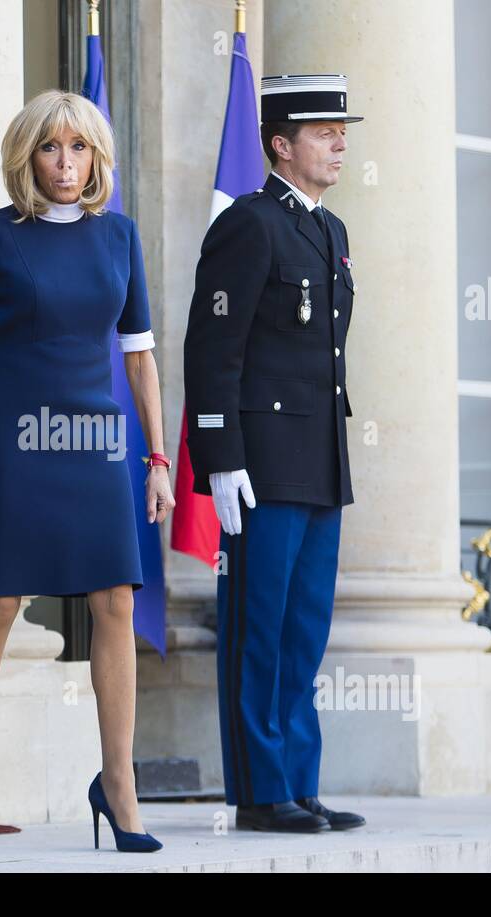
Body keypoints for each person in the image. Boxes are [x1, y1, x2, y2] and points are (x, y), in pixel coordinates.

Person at [0, 90, 173, 853]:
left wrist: (158, 459)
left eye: (79, 148)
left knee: (114, 603)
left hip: (97, 440)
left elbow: (140, 357)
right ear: (26, 157)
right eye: (50, 148)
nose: (66, 163)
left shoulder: (120, 237)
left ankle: (118, 781)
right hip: (16, 435)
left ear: (96, 158)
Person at [182, 74, 366, 833]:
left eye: (341, 129)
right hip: (258, 463)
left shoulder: (330, 230)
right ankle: (260, 791)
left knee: (304, 627)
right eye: (324, 131)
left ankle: (299, 779)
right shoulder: (249, 225)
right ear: (281, 145)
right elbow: (212, 346)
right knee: (258, 625)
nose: (341, 141)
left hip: (317, 458)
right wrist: (219, 456)